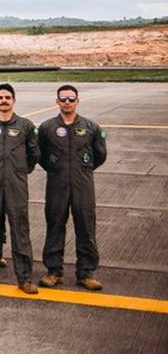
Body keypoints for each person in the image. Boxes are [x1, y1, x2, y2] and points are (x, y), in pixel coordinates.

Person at [38, 85, 107, 291]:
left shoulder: (91, 127)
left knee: (86, 226)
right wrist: (56, 169)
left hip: (83, 184)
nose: (67, 102)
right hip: (56, 184)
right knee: (55, 224)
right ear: (57, 101)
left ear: (78, 101)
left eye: (71, 99)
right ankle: (53, 271)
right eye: (63, 99)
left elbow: (100, 155)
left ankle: (86, 272)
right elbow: (40, 155)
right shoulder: (47, 127)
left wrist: (82, 170)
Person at [0, 83, 41, 294]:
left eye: (7, 97)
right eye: (0, 97)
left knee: (20, 230)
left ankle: (25, 278)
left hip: (16, 186)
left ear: (13, 100)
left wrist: (19, 171)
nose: (4, 101)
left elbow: (34, 155)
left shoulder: (25, 126)